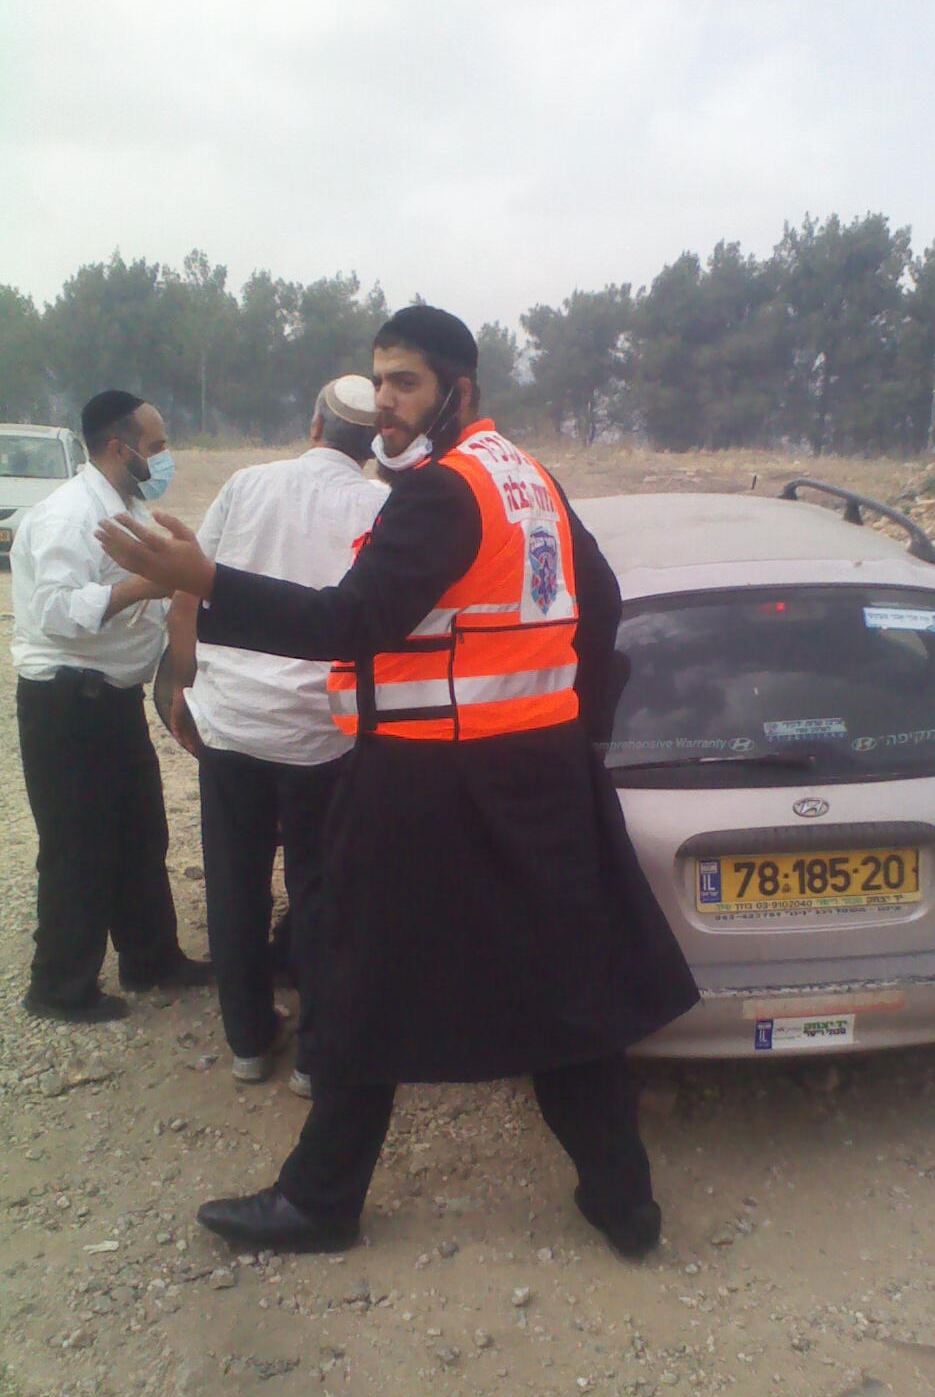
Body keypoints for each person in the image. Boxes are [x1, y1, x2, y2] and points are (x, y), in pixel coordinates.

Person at [98, 306, 699, 1258]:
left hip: (428, 783)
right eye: (378, 382)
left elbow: (351, 621)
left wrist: (208, 581)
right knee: (560, 988)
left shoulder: (443, 491)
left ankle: (321, 1201)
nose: (385, 402)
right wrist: (573, 726)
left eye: (406, 382)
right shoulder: (527, 477)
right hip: (534, 782)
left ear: (460, 389)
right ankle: (624, 1202)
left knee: (357, 976)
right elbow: (604, 601)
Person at [168, 375, 386, 1091]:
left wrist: (178, 681)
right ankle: (318, 1060)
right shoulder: (380, 503)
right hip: (324, 732)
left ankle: (249, 1043)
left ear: (314, 423)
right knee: (322, 890)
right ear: (372, 444)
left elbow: (189, 581)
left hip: (231, 723)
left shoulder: (247, 483)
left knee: (235, 885)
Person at [12, 389, 211, 1023]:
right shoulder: (68, 517)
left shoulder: (123, 508)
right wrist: (144, 584)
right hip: (68, 703)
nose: (163, 457)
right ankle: (59, 987)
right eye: (155, 447)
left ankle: (152, 959)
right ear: (118, 448)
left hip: (111, 700)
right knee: (77, 846)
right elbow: (53, 613)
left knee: (140, 833)